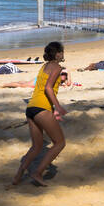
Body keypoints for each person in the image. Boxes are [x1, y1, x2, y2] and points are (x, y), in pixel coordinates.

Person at [12, 41, 66, 187]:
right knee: (60, 143)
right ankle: (38, 172)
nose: (63, 54)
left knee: (36, 146)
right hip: (42, 108)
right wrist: (58, 107)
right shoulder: (57, 67)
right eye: (61, 52)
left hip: (31, 107)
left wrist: (53, 109)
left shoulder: (44, 66)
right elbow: (48, 88)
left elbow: (41, 87)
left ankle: (17, 177)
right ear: (57, 54)